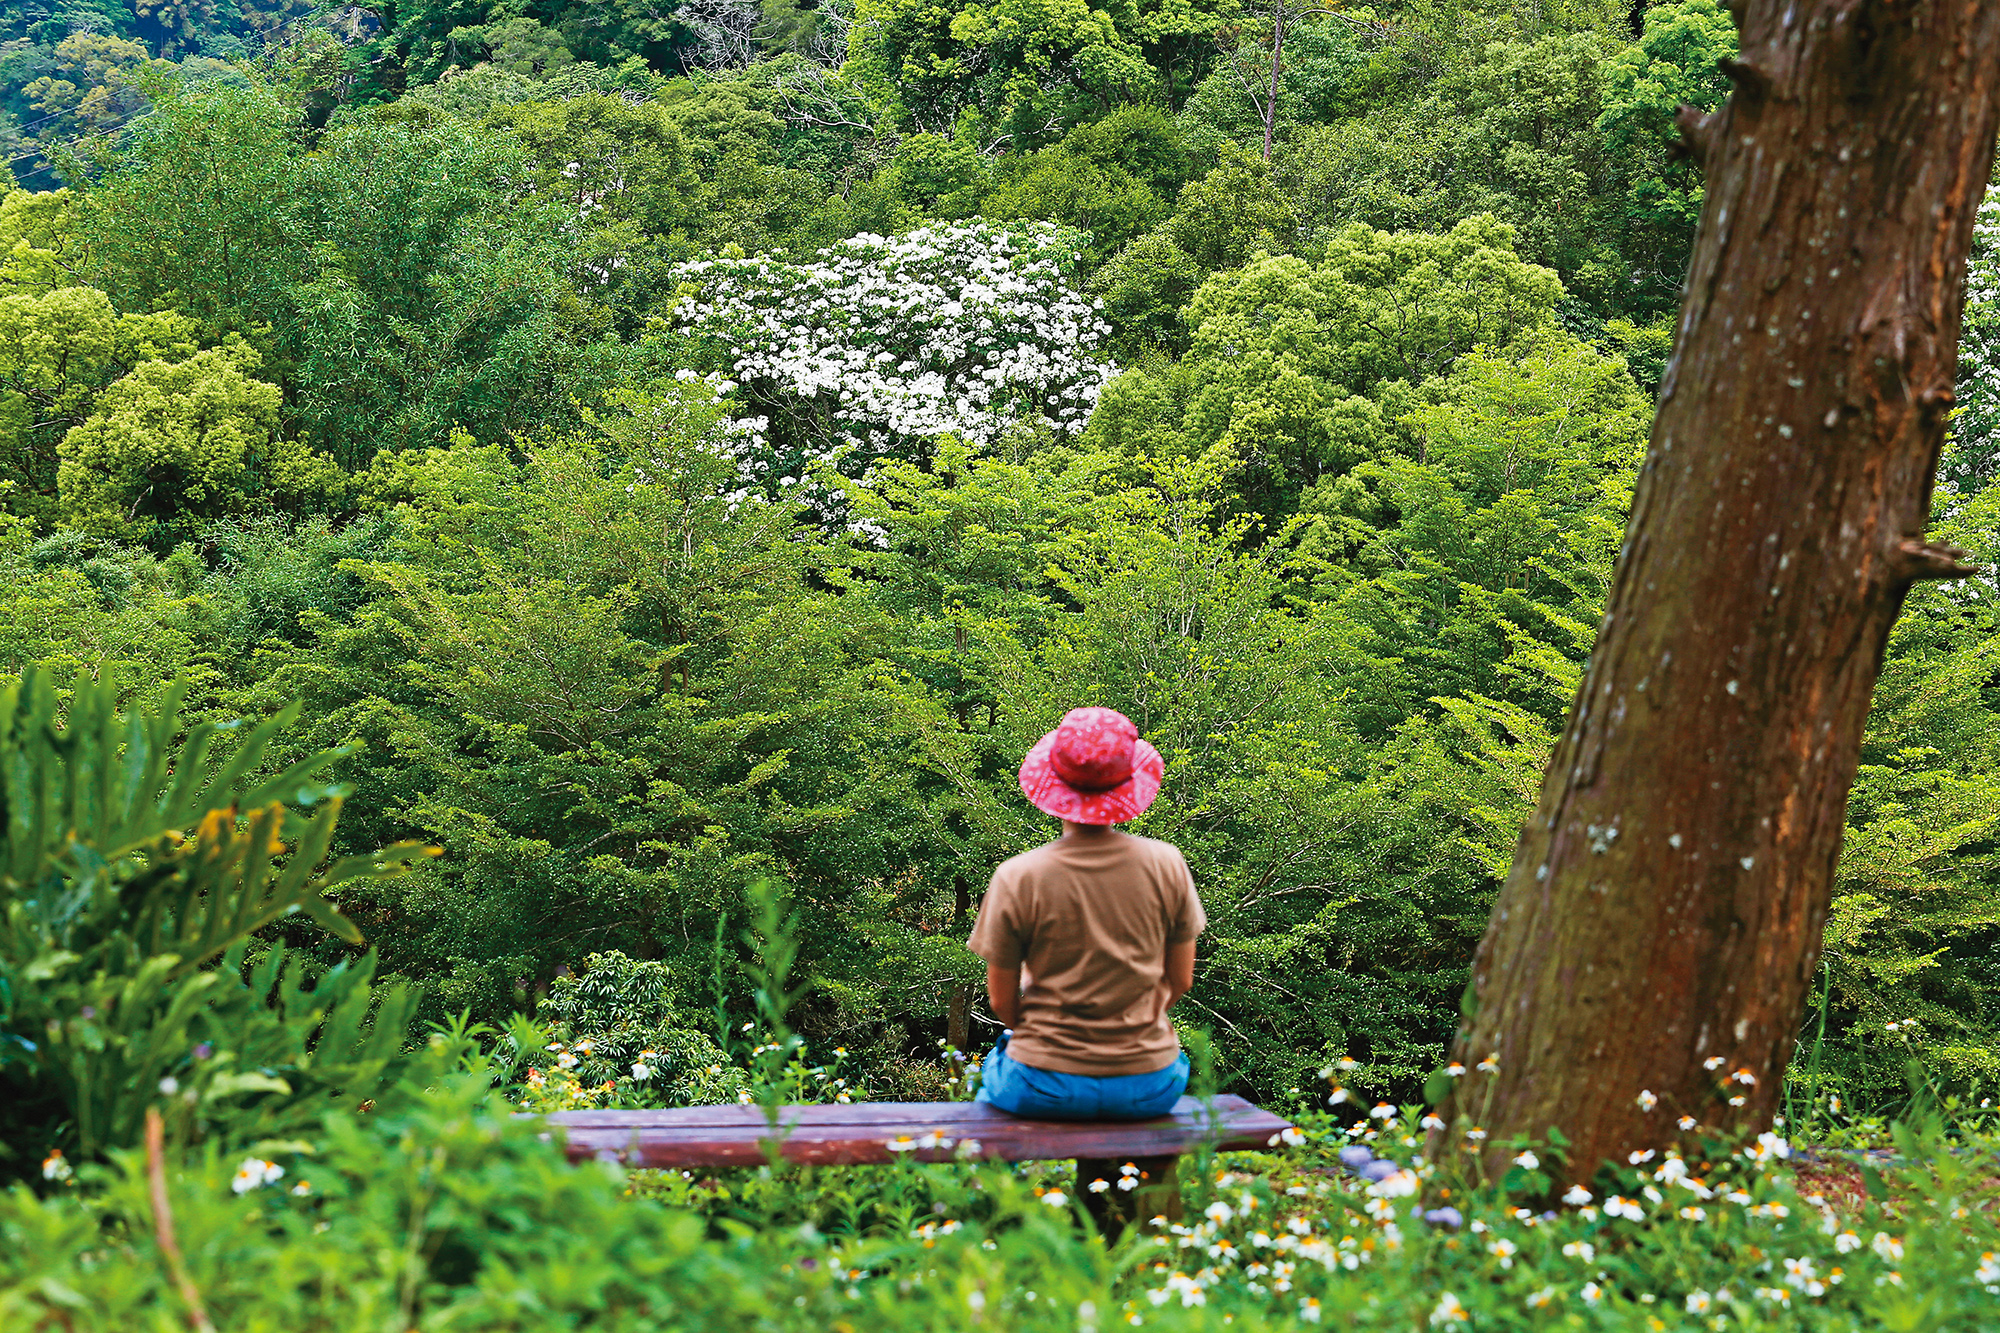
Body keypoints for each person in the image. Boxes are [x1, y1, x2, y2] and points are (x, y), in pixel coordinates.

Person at [968, 706, 1205, 1120]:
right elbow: (1181, 980)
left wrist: (1051, 1045)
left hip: (1043, 1084)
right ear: (1129, 783)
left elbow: (1002, 1001)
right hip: (1148, 1085)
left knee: (989, 1079)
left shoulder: (1019, 876)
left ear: (1053, 783)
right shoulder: (1166, 863)